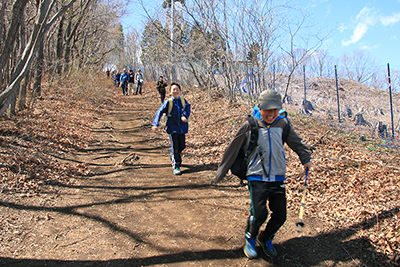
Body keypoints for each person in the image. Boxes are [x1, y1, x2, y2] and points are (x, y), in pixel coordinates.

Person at [212, 90, 312, 259]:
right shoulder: (250, 124)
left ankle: (265, 238)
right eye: (267, 109)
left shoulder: (283, 124)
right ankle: (250, 238)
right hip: (256, 175)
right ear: (259, 107)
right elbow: (233, 148)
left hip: (278, 176)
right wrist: (220, 173)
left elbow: (298, 143)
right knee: (259, 213)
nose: (271, 113)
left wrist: (306, 159)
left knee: (281, 215)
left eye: (275, 109)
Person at [151, 83, 191, 175]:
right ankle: (176, 166)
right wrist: (155, 123)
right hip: (172, 127)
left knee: (182, 146)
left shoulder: (183, 101)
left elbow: (187, 108)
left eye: (177, 89)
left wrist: (185, 116)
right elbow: (159, 112)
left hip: (182, 128)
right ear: (170, 92)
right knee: (176, 147)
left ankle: (172, 151)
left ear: (180, 91)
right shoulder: (168, 102)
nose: (175, 91)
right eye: (173, 89)